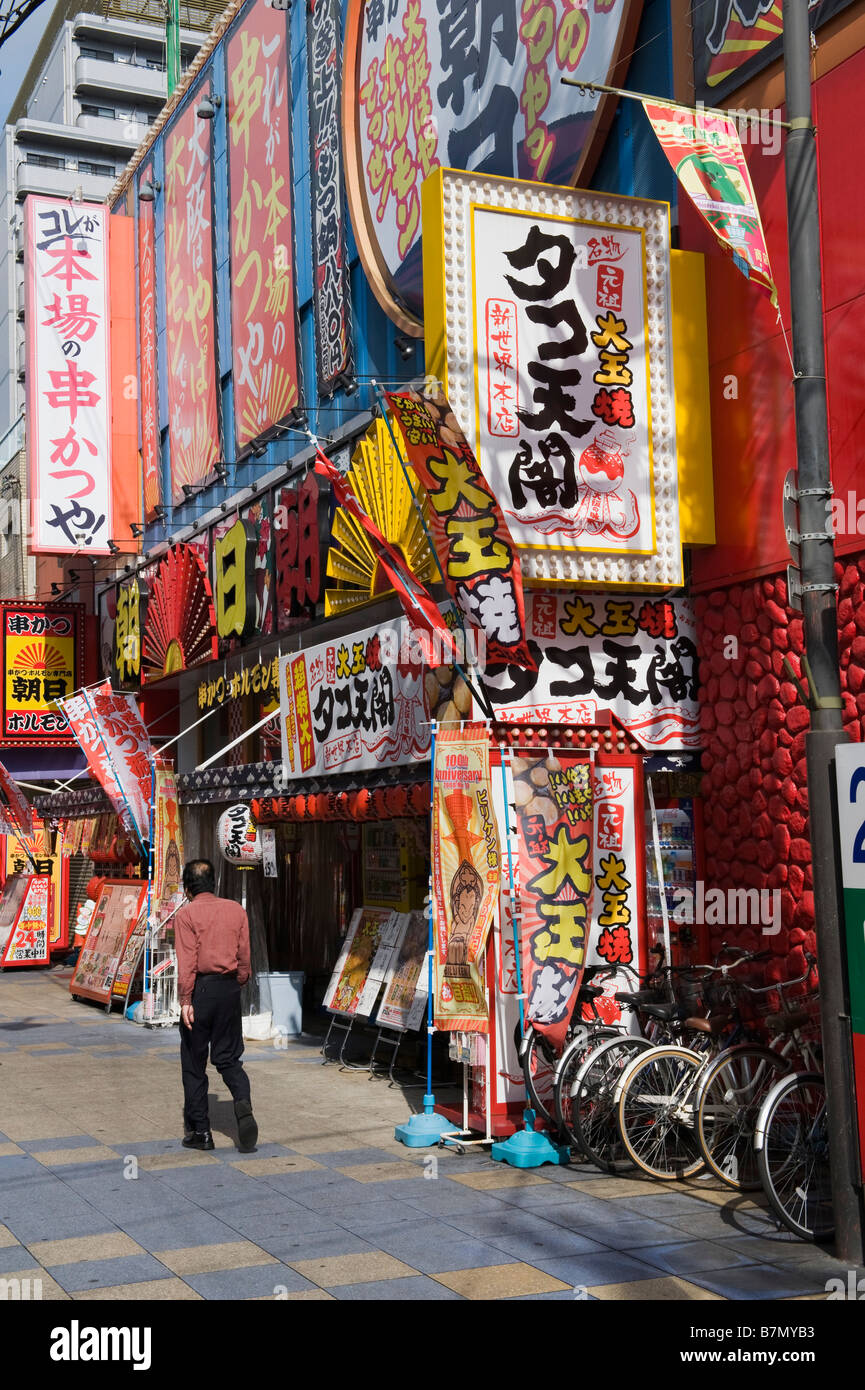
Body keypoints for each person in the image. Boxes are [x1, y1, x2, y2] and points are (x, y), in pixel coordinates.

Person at [174, 859, 258, 1152]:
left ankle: (201, 1132)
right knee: (228, 1058)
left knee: (194, 1063)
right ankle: (242, 1101)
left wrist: (185, 1000)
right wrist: (240, 980)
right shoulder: (235, 910)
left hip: (201, 989)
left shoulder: (186, 915)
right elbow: (245, 952)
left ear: (187, 888)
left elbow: (187, 961)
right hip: (229, 988)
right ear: (214, 883)